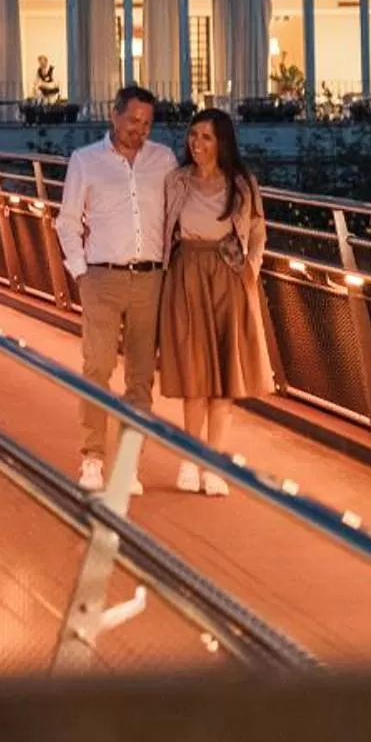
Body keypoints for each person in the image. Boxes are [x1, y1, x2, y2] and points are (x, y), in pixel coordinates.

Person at [53, 84, 179, 493]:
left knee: (141, 377)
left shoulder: (163, 160)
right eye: (132, 121)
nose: (138, 130)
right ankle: (92, 458)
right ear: (114, 115)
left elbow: (179, 215)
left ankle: (129, 464)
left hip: (150, 278)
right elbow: (67, 221)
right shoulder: (86, 161)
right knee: (97, 367)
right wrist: (81, 273)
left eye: (146, 123)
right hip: (102, 277)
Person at [158, 108, 272, 497]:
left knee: (223, 379)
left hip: (227, 273)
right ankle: (189, 460)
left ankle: (213, 463)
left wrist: (251, 270)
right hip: (187, 272)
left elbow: (258, 231)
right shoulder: (176, 180)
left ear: (221, 142)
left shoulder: (241, 184)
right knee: (195, 377)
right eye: (193, 136)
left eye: (206, 137)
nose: (197, 144)